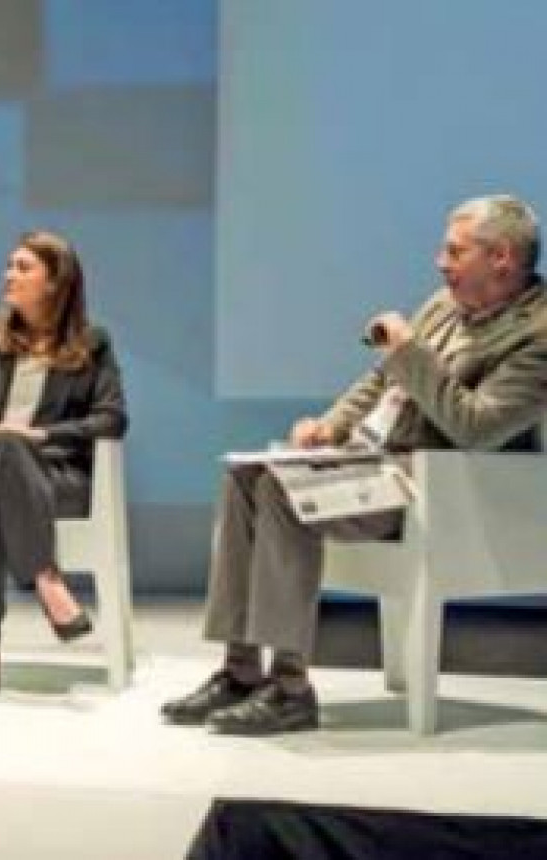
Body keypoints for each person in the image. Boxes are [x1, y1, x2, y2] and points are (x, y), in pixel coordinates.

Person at [163, 193, 547, 735]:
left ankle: (290, 688)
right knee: (246, 477)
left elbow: (478, 427)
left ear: (502, 257)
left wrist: (411, 353)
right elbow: (381, 381)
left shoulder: (539, 335)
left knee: (281, 494)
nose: (441, 262)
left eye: (455, 251)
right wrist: (331, 426)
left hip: (452, 496)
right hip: (384, 468)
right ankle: (240, 670)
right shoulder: (443, 305)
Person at [0, 230, 128, 696]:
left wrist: (42, 436)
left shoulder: (92, 343)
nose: (7, 276)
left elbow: (112, 419)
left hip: (53, 478)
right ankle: (47, 579)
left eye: (22, 267)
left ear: (55, 282)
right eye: (8, 266)